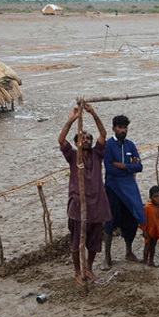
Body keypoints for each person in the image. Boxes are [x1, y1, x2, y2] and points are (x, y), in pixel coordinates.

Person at [58, 104, 111, 284]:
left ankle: (88, 268)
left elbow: (103, 134)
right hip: (78, 203)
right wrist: (72, 120)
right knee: (76, 240)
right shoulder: (73, 156)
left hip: (97, 204)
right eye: (83, 138)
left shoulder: (97, 154)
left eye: (89, 138)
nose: (87, 140)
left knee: (95, 240)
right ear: (77, 142)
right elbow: (61, 139)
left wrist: (93, 113)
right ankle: (77, 272)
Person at [102, 114, 146, 270]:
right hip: (113, 189)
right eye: (120, 127)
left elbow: (139, 166)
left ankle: (129, 251)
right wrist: (128, 166)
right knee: (110, 220)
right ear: (113, 128)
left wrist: (125, 166)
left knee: (133, 218)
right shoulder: (108, 146)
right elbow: (110, 168)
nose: (122, 130)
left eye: (125, 127)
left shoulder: (130, 145)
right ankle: (107, 256)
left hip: (129, 187)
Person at [139, 186, 159, 268]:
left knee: (153, 246)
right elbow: (143, 220)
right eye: (155, 197)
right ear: (151, 197)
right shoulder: (148, 207)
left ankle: (151, 261)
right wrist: (144, 230)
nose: (158, 198)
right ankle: (145, 261)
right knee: (147, 246)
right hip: (149, 230)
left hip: (157, 230)